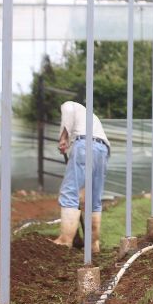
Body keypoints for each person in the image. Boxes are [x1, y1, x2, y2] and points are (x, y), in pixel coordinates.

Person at [52, 101, 110, 254]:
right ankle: (93, 244)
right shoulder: (89, 115)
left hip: (85, 144)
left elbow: (67, 116)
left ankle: (65, 241)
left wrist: (63, 138)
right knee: (93, 198)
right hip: (103, 149)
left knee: (69, 192)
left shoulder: (69, 105)